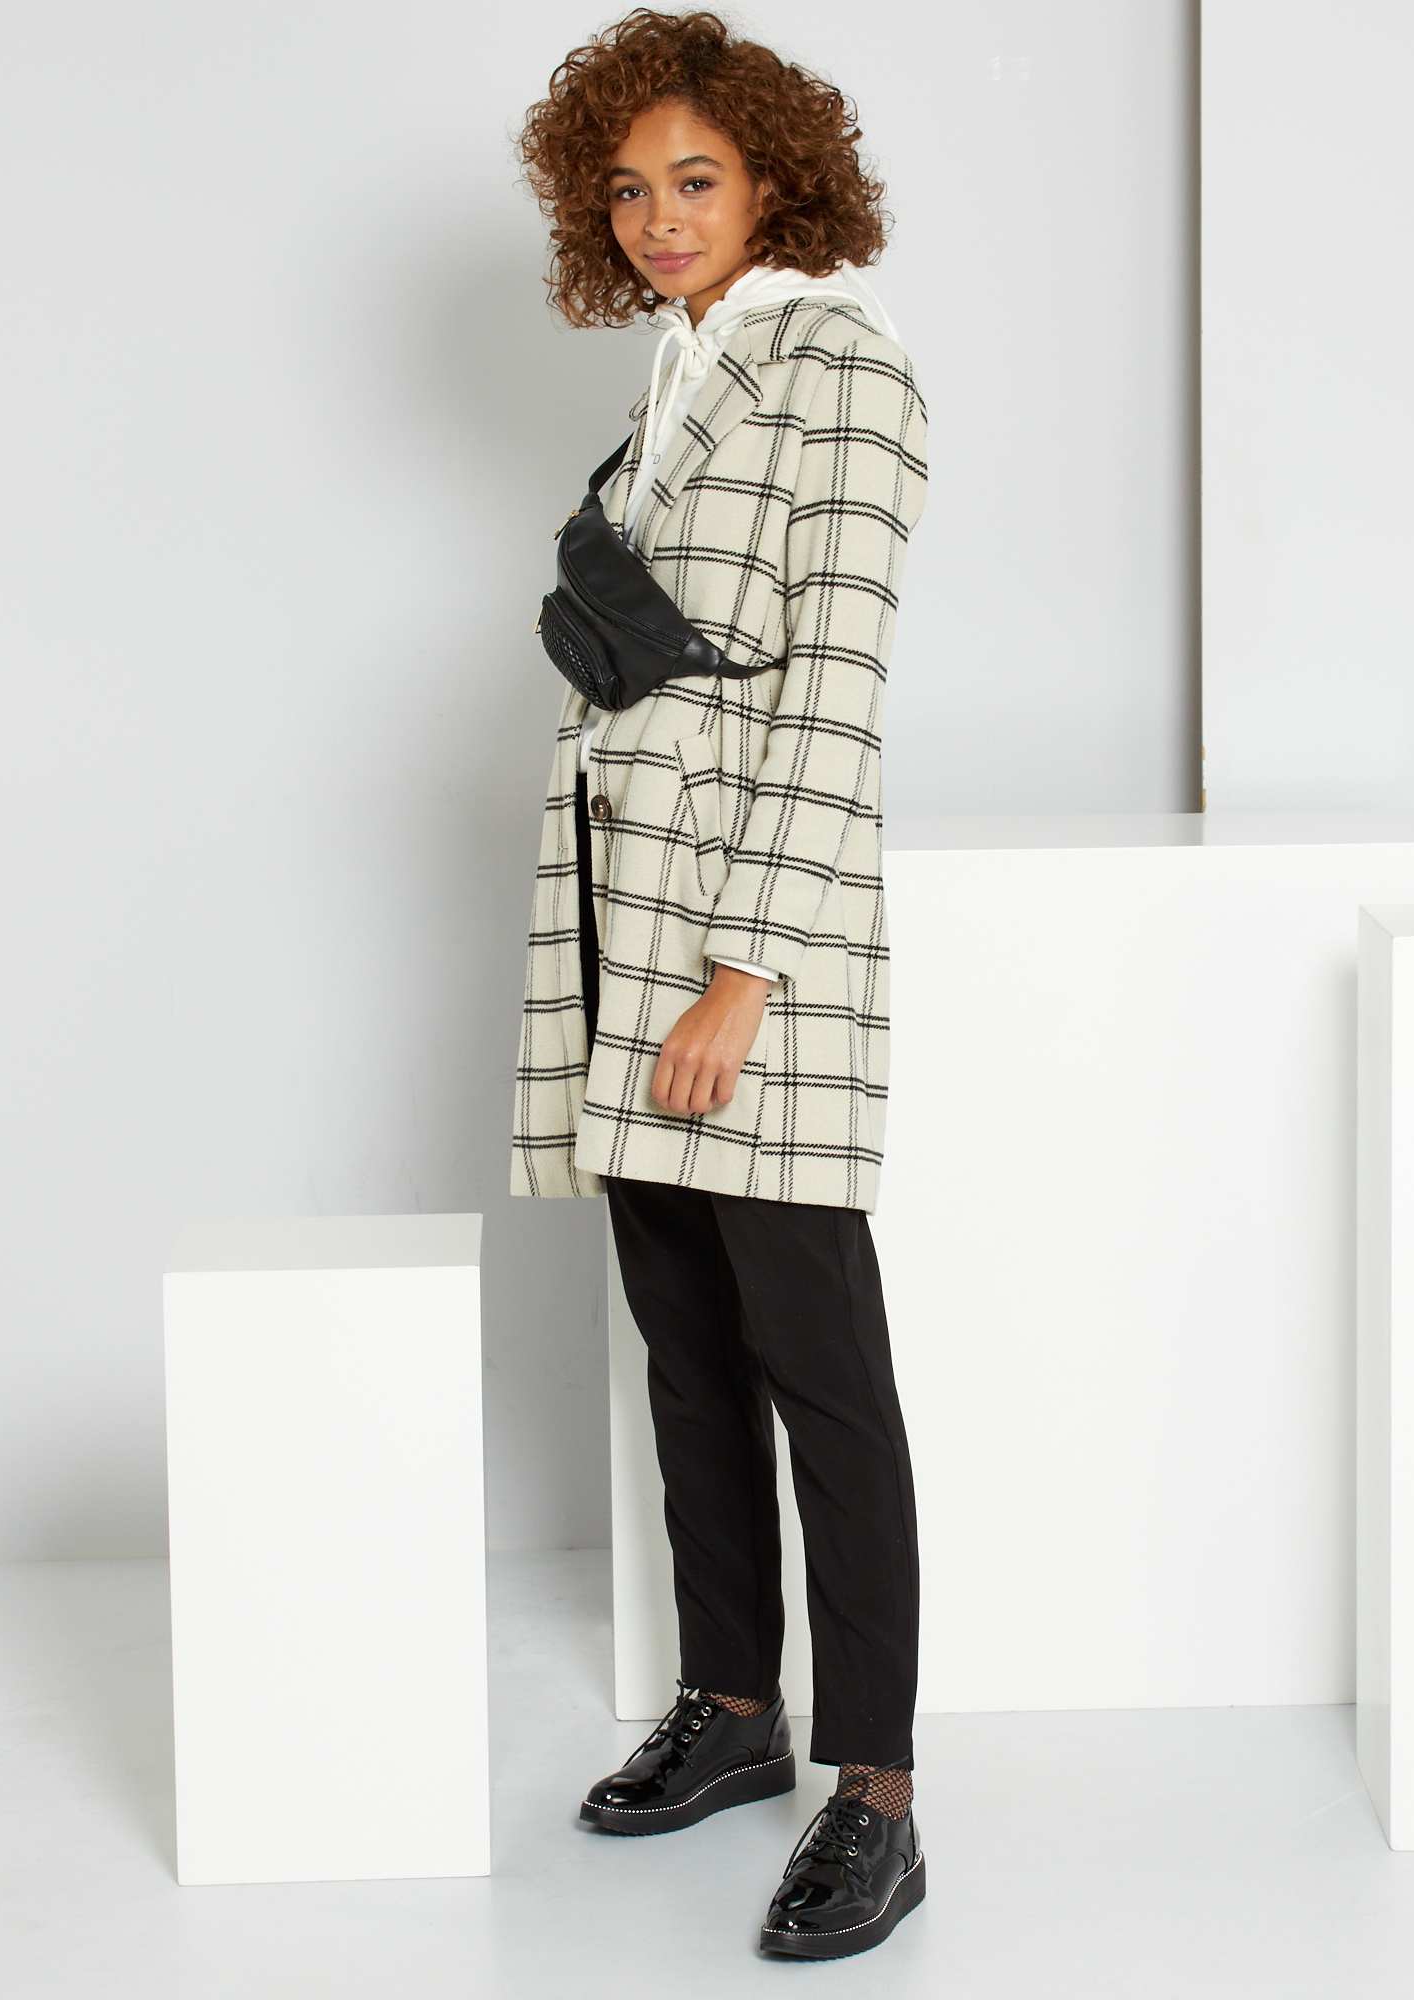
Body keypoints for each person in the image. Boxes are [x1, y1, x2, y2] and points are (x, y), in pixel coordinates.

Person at [509, 9, 931, 1963]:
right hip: (628, 907)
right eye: (627, 187)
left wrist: (744, 972)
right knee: (684, 1345)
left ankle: (878, 1794)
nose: (659, 216)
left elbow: (833, 687)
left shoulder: (840, 365)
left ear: (776, 178)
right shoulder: (677, 371)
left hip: (751, 931)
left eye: (696, 178)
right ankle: (736, 1706)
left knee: (819, 1370)